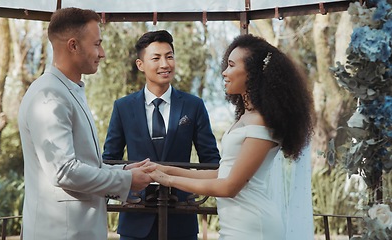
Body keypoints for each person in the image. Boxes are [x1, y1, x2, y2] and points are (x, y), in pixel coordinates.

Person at [148, 34, 314, 240]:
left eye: (231, 65)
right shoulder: (248, 116)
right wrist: (163, 169)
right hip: (237, 225)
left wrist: (169, 179)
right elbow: (222, 173)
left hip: (254, 228)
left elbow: (229, 187)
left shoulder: (261, 122)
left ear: (252, 74)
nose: (224, 72)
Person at [17, 8, 154, 240]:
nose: (103, 53)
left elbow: (83, 162)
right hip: (61, 232)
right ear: (73, 45)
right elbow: (63, 171)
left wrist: (121, 170)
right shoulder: (49, 95)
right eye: (97, 44)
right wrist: (127, 180)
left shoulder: (67, 90)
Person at [102, 30, 220, 240]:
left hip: (182, 215)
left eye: (169, 56)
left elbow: (211, 162)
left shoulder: (194, 106)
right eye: (156, 58)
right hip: (135, 218)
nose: (165, 64)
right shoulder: (122, 107)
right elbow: (110, 160)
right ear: (140, 65)